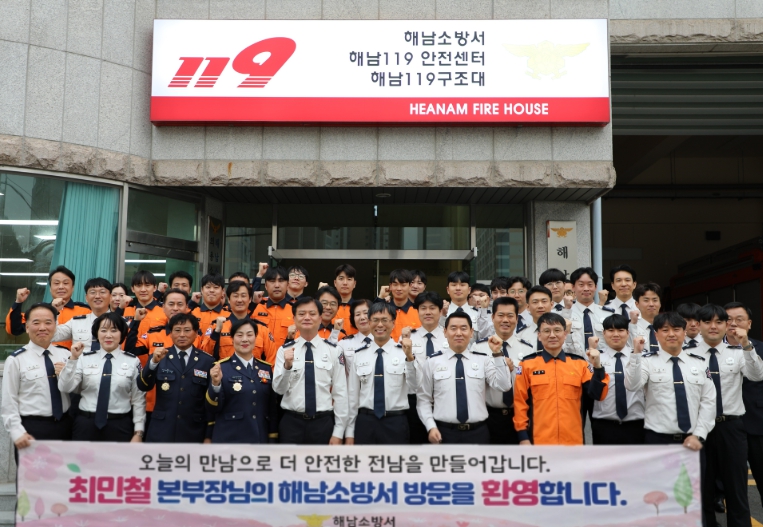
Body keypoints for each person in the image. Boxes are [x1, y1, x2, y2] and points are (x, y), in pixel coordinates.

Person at [624, 312, 716, 527]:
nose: (671, 334)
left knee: (693, 499)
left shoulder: (699, 363)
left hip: (692, 441)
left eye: (676, 329)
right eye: (665, 330)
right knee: (661, 499)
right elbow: (632, 385)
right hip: (659, 441)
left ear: (684, 333)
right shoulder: (646, 362)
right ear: (656, 335)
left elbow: (709, 402)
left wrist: (699, 435)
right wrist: (636, 354)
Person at [695, 304, 763, 527]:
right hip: (700, 427)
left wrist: (746, 345)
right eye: (707, 322)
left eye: (719, 322)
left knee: (736, 489)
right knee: (703, 488)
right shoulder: (687, 353)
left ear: (726, 325)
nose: (713, 327)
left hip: (731, 427)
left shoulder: (739, 352)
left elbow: (757, 375)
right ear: (699, 325)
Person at [513, 312, 608, 445]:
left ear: (565, 334)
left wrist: (597, 367)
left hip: (573, 442)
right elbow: (520, 403)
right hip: (539, 442)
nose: (552, 335)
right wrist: (523, 437)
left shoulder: (579, 364)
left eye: (557, 330)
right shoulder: (527, 365)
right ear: (539, 335)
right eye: (547, 331)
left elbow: (598, 395)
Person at [417, 312, 511, 445]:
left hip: (478, 433)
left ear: (471, 332)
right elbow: (423, 399)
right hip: (444, 433)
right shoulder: (432, 362)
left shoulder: (483, 360)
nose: (459, 333)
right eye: (453, 328)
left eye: (463, 328)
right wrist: (431, 427)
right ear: (445, 332)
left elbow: (504, 386)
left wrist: (497, 354)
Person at [58, 312, 145, 442]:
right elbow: (65, 388)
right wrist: (73, 359)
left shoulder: (133, 361)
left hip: (119, 426)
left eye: (114, 330)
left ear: (122, 334)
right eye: (103, 330)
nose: (108, 335)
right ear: (96, 334)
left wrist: (138, 432)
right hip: (86, 425)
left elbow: (138, 399)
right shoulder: (83, 358)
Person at [273, 297, 348, 445]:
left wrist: (338, 432)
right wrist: (287, 367)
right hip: (292, 423)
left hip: (323, 423)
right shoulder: (284, 350)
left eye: (312, 314)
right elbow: (279, 390)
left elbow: (340, 393)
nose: (307, 317)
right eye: (301, 314)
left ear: (320, 318)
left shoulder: (334, 350)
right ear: (294, 319)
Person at [1, 303, 72, 448]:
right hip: (32, 429)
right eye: (36, 323)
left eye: (48, 322)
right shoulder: (16, 360)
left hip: (66, 426)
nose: (42, 328)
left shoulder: (66, 355)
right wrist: (16, 432)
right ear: (27, 327)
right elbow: (9, 401)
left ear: (55, 326)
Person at [346, 302, 418, 444]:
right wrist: (349, 433)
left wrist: (410, 358)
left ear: (393, 323)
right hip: (366, 422)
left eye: (385, 320)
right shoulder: (359, 355)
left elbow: (415, 387)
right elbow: (352, 397)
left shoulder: (404, 353)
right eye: (375, 320)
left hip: (395, 422)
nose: (380, 325)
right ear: (369, 322)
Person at [138, 312, 216, 443]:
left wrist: (208, 435)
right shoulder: (159, 356)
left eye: (187, 330)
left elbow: (210, 402)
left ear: (196, 333)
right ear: (170, 333)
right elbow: (143, 385)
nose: (182, 335)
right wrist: (153, 363)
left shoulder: (207, 361)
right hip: (162, 430)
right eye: (177, 330)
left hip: (193, 431)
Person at [124, 288, 195, 422]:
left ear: (187, 307)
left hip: (188, 406)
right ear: (163, 307)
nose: (175, 308)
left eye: (180, 304)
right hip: (155, 404)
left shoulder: (195, 335)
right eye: (171, 304)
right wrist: (136, 321)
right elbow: (130, 351)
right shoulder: (154, 334)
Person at [207, 319, 279, 444]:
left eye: (249, 335)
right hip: (230, 438)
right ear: (232, 339)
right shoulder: (221, 368)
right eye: (239, 335)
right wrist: (215, 384)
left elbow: (271, 408)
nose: (245, 339)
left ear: (256, 338)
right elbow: (212, 408)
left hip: (259, 438)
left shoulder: (265, 368)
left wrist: (272, 436)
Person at [472, 297, 529, 444]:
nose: (505, 320)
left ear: (517, 318)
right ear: (492, 317)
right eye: (501, 315)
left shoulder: (528, 348)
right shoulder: (478, 348)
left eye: (510, 316)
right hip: (489, 416)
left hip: (521, 415)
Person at [727, 301, 763, 504]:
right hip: (726, 424)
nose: (733, 324)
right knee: (731, 482)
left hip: (757, 422)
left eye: (739, 319)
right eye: (728, 319)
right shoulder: (712, 350)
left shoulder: (761, 348)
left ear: (749, 324)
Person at [590, 315, 646, 445]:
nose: (616, 334)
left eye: (620, 330)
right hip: (604, 425)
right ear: (603, 333)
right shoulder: (595, 358)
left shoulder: (642, 357)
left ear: (628, 333)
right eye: (611, 330)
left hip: (637, 425)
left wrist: (637, 353)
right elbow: (592, 391)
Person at [6, 266, 91, 348]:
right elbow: (14, 329)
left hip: (74, 356)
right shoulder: (39, 310)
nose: (61, 287)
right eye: (56, 283)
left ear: (72, 288)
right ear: (50, 288)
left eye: (65, 283)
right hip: (43, 356)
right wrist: (18, 302)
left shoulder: (85, 311)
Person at [201, 280, 276, 364]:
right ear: (229, 300)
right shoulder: (217, 326)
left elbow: (272, 360)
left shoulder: (262, 329)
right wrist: (216, 332)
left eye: (243, 296)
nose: (239, 300)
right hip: (224, 372)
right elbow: (204, 355)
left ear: (250, 299)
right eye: (235, 296)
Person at [407, 291, 448, 443]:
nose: (428, 312)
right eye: (423, 308)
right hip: (414, 399)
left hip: (443, 400)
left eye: (432, 308)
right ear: (417, 311)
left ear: (440, 310)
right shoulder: (408, 338)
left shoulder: (449, 336)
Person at [52, 277, 112, 351]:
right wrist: (54, 312)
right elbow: (53, 336)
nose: (97, 296)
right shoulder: (76, 322)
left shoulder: (121, 322)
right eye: (92, 292)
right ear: (86, 298)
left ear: (110, 297)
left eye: (102, 292)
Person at [252, 266, 296, 350]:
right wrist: (259, 275)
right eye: (272, 281)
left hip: (286, 357)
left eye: (281, 281)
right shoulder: (256, 307)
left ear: (287, 285)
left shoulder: (295, 311)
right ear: (266, 286)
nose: (277, 285)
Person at [378, 269, 421, 341]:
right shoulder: (383, 310)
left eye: (403, 285)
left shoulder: (418, 311)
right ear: (390, 286)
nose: (399, 288)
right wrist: (380, 297)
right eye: (395, 285)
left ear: (410, 286)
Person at [337, 299, 374, 373]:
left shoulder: (383, 342)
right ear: (353, 319)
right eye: (357, 314)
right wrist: (335, 332)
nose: (362, 317)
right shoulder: (344, 343)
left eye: (366, 313)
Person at [515, 285, 554, 351]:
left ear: (552, 304)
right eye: (535, 302)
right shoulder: (520, 334)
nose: (540, 306)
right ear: (527, 307)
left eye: (544, 301)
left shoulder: (560, 331)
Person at [628, 282, 662, 351]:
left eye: (655, 300)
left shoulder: (668, 327)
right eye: (646, 300)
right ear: (637, 304)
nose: (651, 304)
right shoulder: (631, 328)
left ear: (660, 303)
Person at [333, 264, 358, 336]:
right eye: (341, 279)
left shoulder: (359, 308)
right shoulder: (328, 308)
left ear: (354, 284)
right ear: (335, 283)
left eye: (349, 279)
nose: (345, 283)